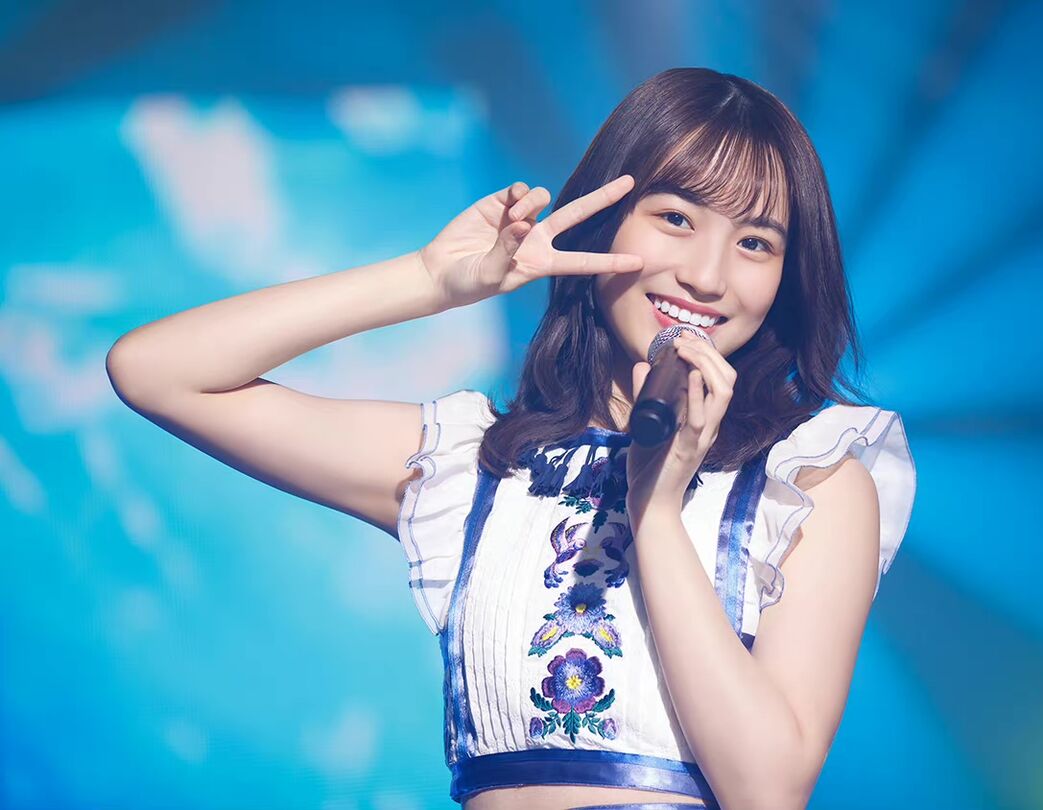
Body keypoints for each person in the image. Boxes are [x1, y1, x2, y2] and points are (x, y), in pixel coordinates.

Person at [107, 67, 918, 810]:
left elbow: (768, 789)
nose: (708, 276)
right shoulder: (474, 466)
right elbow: (155, 372)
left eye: (755, 244)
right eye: (676, 218)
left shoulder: (807, 480)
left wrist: (657, 509)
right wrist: (428, 280)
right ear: (603, 220)